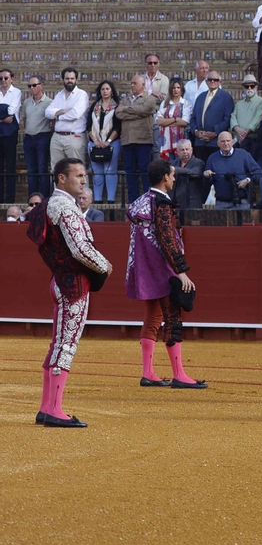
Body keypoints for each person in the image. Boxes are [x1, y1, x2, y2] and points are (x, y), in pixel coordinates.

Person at [28, 159, 112, 426]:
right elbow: (80, 249)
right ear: (62, 179)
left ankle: (46, 407)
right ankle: (54, 410)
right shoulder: (65, 208)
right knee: (66, 344)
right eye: (78, 176)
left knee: (58, 343)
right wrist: (104, 265)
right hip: (73, 285)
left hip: (60, 280)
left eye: (85, 175)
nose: (84, 180)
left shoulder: (51, 206)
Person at [125, 159, 204, 388]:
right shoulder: (161, 204)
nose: (174, 178)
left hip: (145, 268)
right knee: (173, 318)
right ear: (165, 177)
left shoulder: (142, 202)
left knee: (153, 318)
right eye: (172, 174)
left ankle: (148, 372)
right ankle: (179, 374)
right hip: (162, 269)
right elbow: (167, 239)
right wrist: (180, 271)